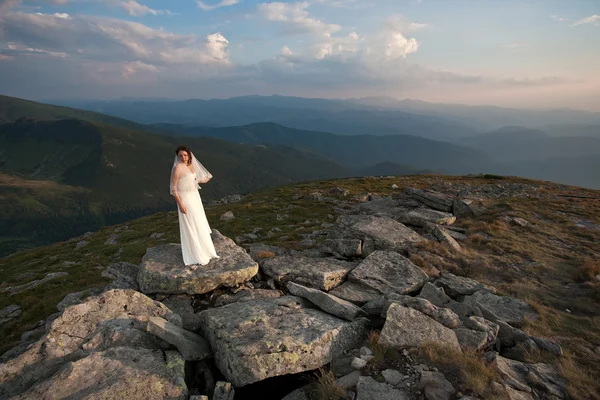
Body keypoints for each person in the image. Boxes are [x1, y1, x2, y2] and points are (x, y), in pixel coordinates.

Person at [170, 145, 219, 268]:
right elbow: (173, 189)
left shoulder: (190, 166)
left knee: (198, 222)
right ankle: (195, 253)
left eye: (185, 155)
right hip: (185, 199)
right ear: (177, 156)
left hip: (195, 197)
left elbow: (192, 180)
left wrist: (205, 180)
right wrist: (180, 204)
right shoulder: (177, 169)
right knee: (191, 223)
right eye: (180, 155)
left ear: (189, 155)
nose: (183, 157)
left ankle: (204, 249)